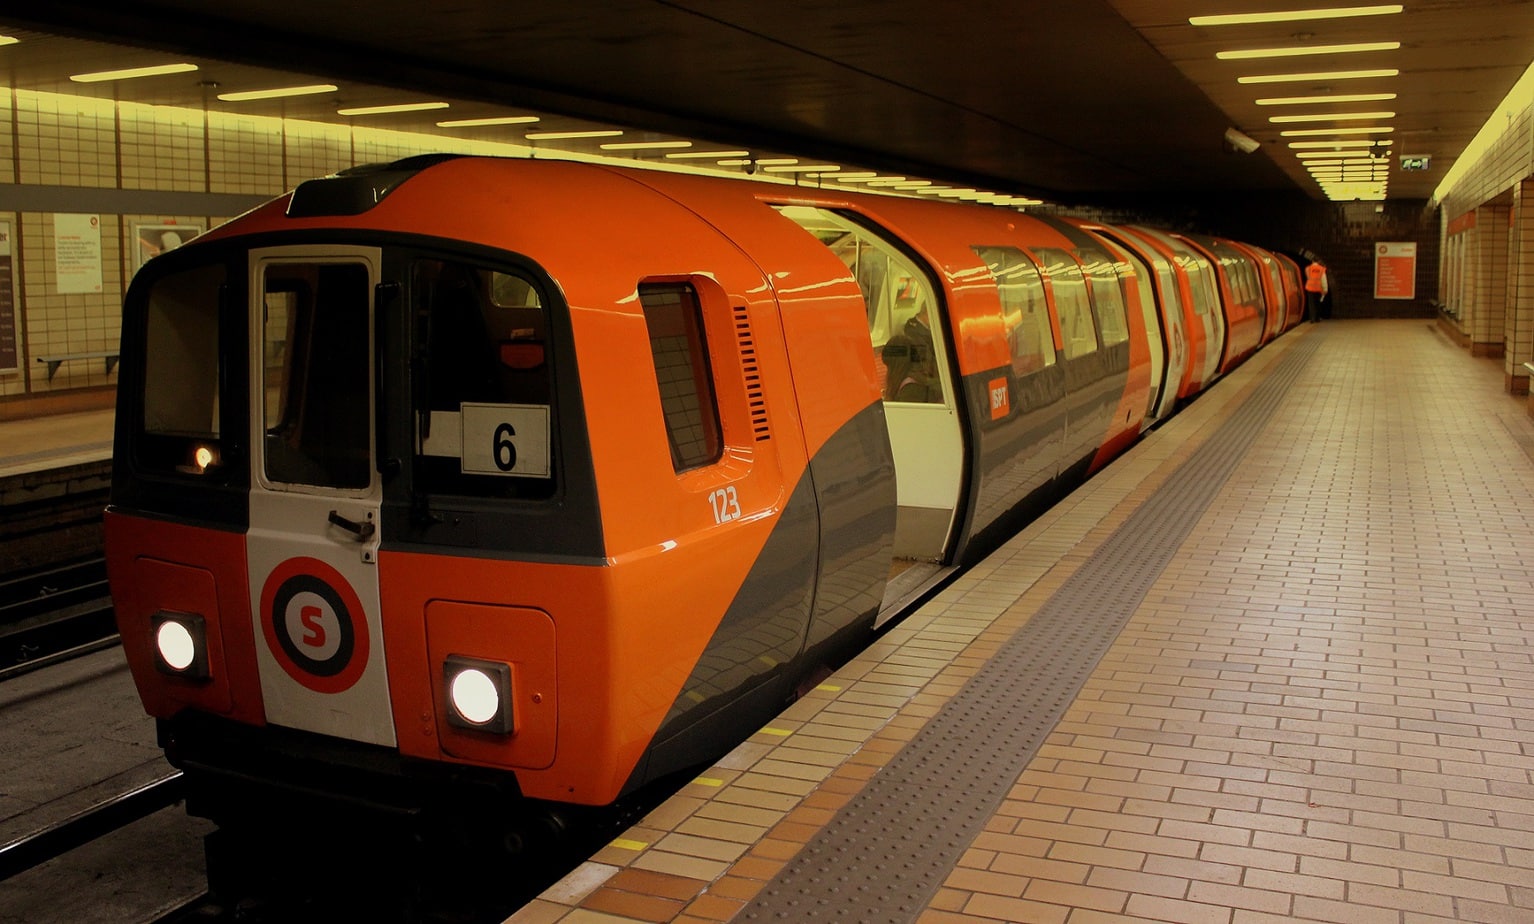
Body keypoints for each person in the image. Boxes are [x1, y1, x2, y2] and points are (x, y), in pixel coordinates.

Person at [1304, 258, 1328, 323]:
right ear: (1318, 261)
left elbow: (1308, 277)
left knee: (1311, 304)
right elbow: (1323, 280)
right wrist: (1325, 288)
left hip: (1309, 287)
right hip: (1318, 288)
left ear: (1312, 261)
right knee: (1317, 303)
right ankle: (1317, 318)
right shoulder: (1321, 269)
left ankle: (1312, 318)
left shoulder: (1308, 269)